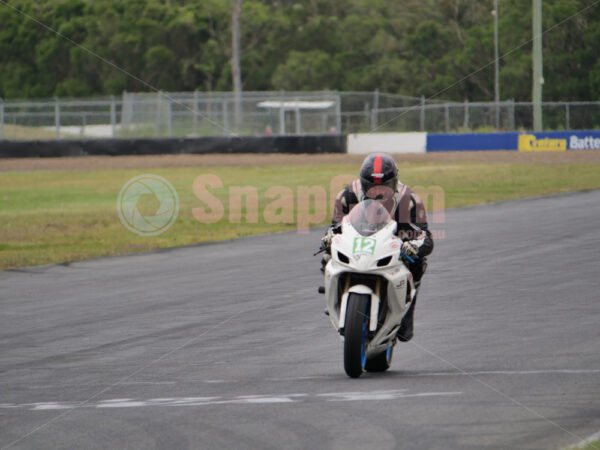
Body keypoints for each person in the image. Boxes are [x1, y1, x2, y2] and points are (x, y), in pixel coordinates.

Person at [321, 152, 434, 342]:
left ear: (394, 182)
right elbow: (335, 227)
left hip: (393, 243)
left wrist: (413, 245)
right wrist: (329, 237)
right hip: (358, 241)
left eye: (385, 186)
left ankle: (406, 314)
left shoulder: (410, 199)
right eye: (372, 187)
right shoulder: (347, 196)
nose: (378, 192)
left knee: (417, 263)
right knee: (327, 255)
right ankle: (336, 298)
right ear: (363, 184)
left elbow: (425, 236)